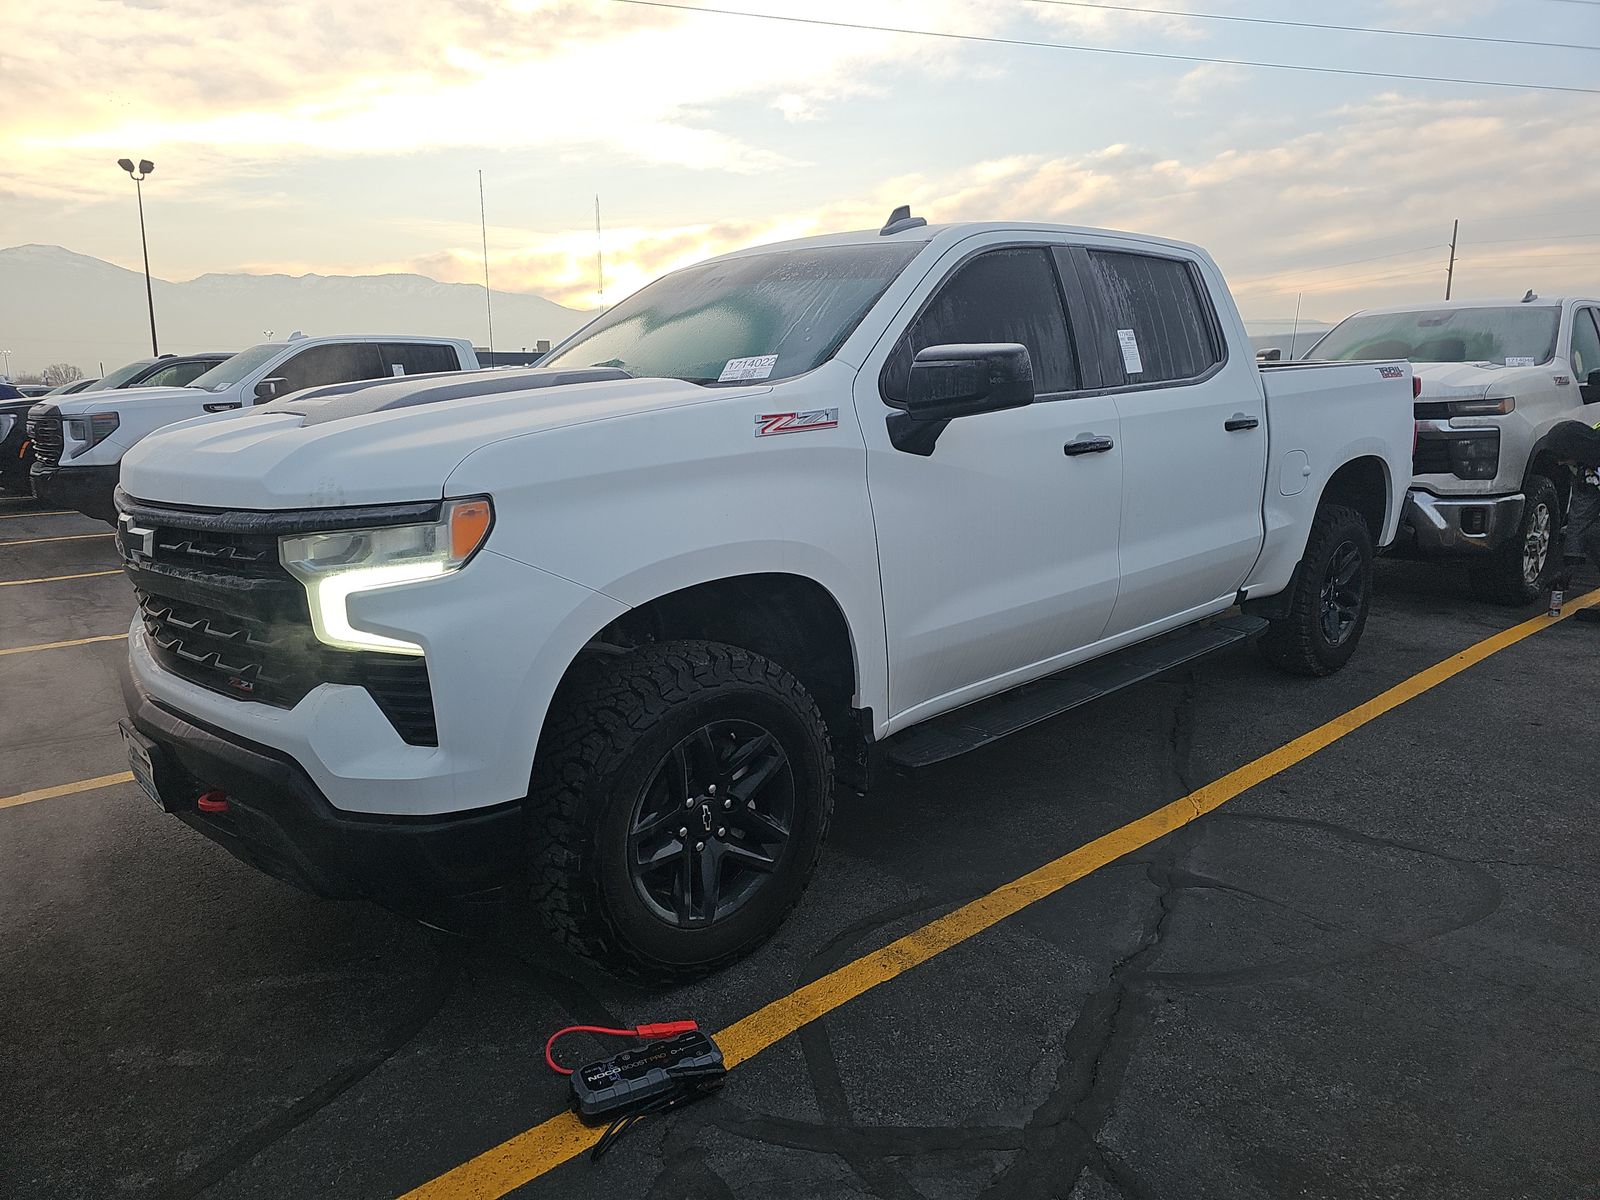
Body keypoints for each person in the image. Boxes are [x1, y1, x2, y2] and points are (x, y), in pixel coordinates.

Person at [1548, 419, 1600, 623]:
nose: (1559, 462)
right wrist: (1570, 565)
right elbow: (1580, 518)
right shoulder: (1585, 466)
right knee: (1592, 536)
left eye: (1562, 457)